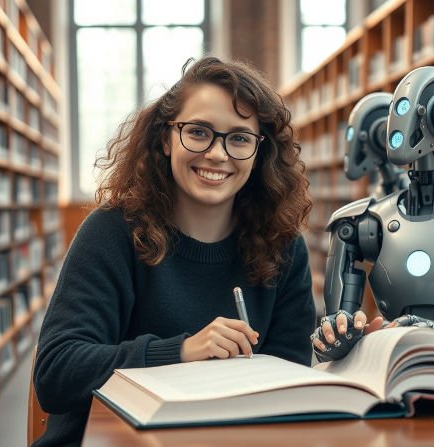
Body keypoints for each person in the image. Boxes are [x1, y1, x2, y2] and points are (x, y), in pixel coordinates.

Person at [32, 56, 316, 446]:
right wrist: (179, 351)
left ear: (259, 151)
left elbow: (289, 382)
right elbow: (56, 374)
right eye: (198, 132)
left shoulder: (283, 246)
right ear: (166, 138)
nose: (218, 154)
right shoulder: (112, 232)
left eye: (239, 138)